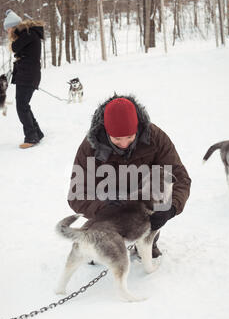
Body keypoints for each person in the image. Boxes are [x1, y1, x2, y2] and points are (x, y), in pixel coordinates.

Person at [68, 95, 191, 258]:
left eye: (129, 137)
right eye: (117, 139)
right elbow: (77, 194)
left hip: (143, 198)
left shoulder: (155, 137)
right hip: (109, 199)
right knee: (99, 246)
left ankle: (148, 239)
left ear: (138, 128)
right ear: (106, 131)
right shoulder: (90, 147)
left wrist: (172, 207)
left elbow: (179, 177)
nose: (124, 143)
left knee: (159, 188)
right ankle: (102, 239)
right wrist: (103, 206)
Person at [4, 9, 44, 149]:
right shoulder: (28, 33)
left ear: (14, 26)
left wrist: (13, 38)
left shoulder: (27, 34)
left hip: (28, 75)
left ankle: (31, 137)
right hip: (28, 75)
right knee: (24, 105)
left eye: (8, 28)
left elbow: (15, 47)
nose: (8, 32)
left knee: (21, 106)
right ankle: (37, 133)